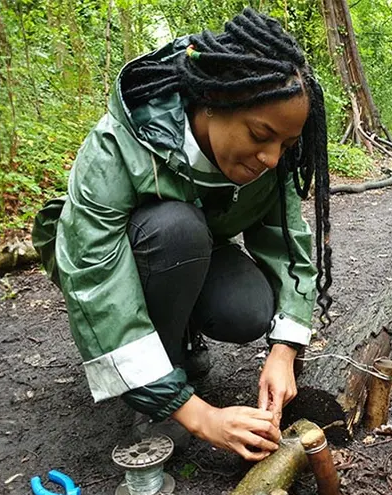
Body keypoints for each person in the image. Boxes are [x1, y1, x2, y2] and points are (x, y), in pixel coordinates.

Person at [31, 8, 333, 462]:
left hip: (193, 252)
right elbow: (94, 275)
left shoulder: (271, 161)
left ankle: (181, 341)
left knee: (249, 308)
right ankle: (160, 387)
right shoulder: (120, 144)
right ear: (213, 99)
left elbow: (287, 243)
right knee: (176, 231)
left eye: (285, 146)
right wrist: (196, 414)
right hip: (125, 257)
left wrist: (284, 350)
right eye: (260, 135)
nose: (271, 158)